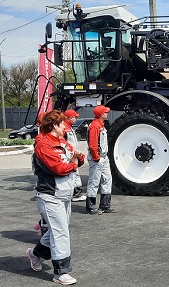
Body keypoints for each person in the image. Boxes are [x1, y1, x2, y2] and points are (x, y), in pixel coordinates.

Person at [26, 110, 85, 285]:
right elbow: (58, 168)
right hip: (50, 195)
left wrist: (75, 161)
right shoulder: (44, 145)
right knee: (61, 233)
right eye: (61, 124)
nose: (65, 126)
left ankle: (34, 254)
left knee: (57, 231)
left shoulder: (62, 142)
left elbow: (79, 158)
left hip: (64, 194)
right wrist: (74, 163)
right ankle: (61, 273)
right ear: (53, 126)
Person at [86, 105, 115, 215]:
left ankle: (105, 205)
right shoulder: (95, 126)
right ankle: (91, 206)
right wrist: (96, 157)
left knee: (107, 180)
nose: (107, 114)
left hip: (103, 157)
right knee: (94, 182)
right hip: (98, 158)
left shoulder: (100, 125)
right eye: (106, 112)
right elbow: (93, 144)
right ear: (102, 114)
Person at [64, 109, 86, 202]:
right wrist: (72, 152)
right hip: (70, 156)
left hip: (72, 154)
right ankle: (76, 194)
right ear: (70, 118)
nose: (76, 119)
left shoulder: (69, 127)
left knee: (74, 174)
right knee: (74, 174)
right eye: (75, 117)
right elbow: (65, 142)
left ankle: (75, 193)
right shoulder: (65, 128)